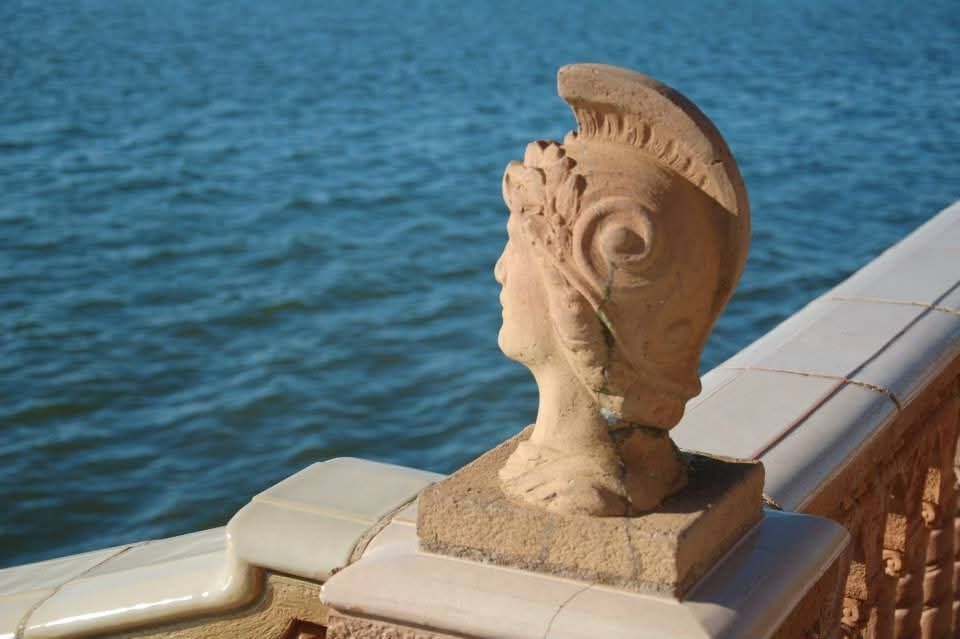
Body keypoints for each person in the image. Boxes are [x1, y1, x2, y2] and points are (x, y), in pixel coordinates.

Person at [495, 64, 750, 516]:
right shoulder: (566, 467)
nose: (499, 271)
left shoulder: (580, 497)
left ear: (571, 295)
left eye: (516, 245)